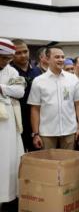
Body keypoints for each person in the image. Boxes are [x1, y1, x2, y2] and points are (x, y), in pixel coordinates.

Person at [28, 46, 79, 150]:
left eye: (62, 57)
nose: (61, 60)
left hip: (70, 130)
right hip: (46, 133)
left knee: (68, 163)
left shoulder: (72, 79)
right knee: (48, 164)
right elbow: (35, 109)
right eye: (57, 57)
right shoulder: (38, 81)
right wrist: (35, 134)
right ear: (47, 59)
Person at [0, 38, 25, 211]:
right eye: (4, 58)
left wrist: (1, 88)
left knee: (8, 160)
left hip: (7, 124)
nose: (6, 61)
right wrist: (7, 90)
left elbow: (19, 92)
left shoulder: (12, 72)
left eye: (9, 58)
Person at [10, 39, 41, 152]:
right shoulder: (9, 72)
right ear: (11, 54)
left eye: (25, 51)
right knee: (19, 155)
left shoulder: (37, 71)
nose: (23, 55)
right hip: (16, 120)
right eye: (18, 53)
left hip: (36, 120)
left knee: (37, 155)